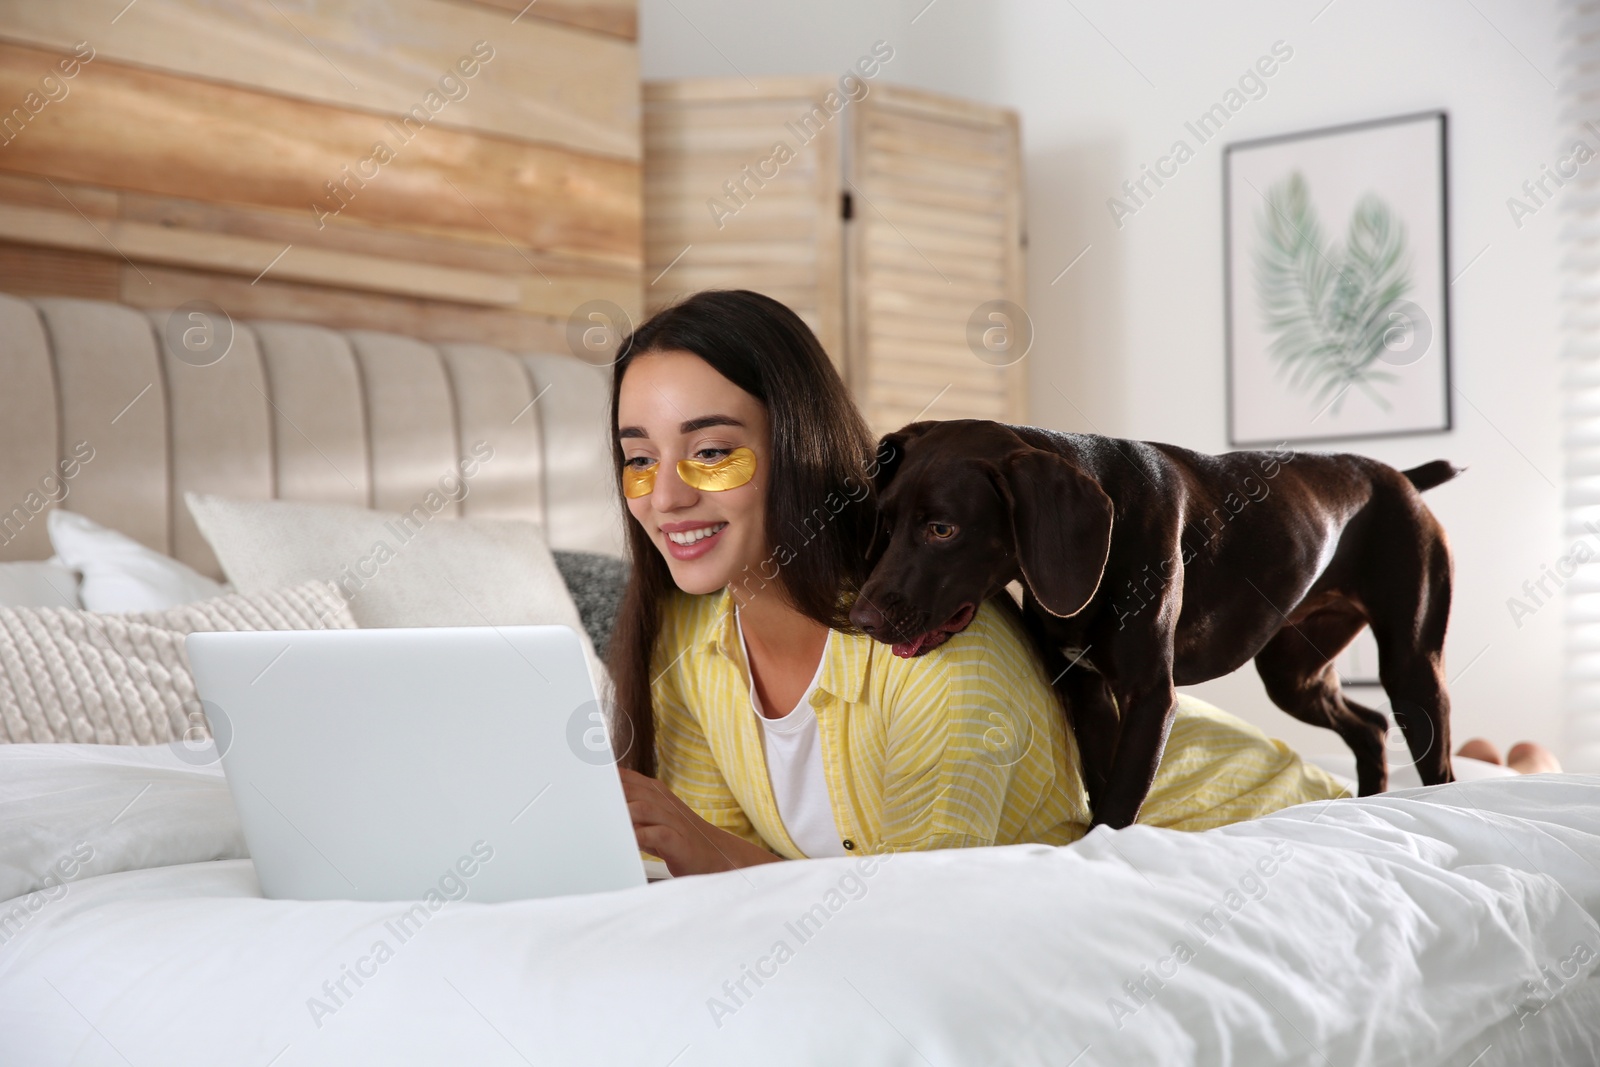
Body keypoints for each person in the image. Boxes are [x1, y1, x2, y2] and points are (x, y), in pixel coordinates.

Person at [603, 290, 1516, 878]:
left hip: (1240, 808)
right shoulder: (687, 638)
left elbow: (909, 912)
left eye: (712, 450)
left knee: (1496, 787)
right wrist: (694, 848)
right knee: (1468, 757)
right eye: (636, 459)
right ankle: (1496, 761)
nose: (666, 493)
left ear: (799, 447)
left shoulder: (944, 664)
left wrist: (710, 851)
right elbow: (724, 878)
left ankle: (1509, 768)